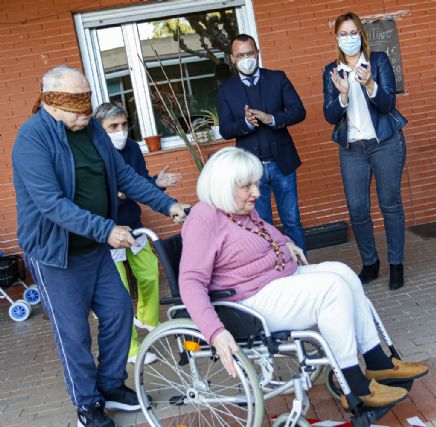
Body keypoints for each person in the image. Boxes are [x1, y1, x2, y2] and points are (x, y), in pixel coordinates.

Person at [179, 147, 429, 410]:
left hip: (278, 281)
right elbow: (191, 281)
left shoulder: (238, 209)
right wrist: (215, 332)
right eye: (247, 186)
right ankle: (353, 382)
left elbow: (265, 233)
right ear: (223, 187)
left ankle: (377, 361)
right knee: (331, 290)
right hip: (250, 303)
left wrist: (287, 243)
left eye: (255, 183)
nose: (257, 192)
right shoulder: (204, 218)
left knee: (342, 272)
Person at [12, 66, 190, 427]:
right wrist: (106, 229)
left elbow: (124, 175)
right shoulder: (32, 138)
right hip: (56, 254)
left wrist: (167, 204)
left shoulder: (90, 128)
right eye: (76, 104)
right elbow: (51, 203)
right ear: (52, 103)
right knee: (74, 333)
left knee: (119, 312)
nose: (86, 111)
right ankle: (88, 406)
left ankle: (110, 386)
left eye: (87, 100)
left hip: (94, 248)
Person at [322, 12, 409, 290]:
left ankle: (396, 265)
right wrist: (343, 95)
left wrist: (370, 84)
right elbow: (330, 115)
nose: (349, 39)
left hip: (384, 143)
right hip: (353, 148)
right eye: (343, 34)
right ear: (336, 38)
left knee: (390, 204)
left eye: (353, 33)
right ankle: (370, 263)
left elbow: (387, 104)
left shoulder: (379, 61)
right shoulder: (332, 71)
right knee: (357, 209)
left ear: (361, 34)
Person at [95, 102, 182, 366]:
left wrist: (155, 183)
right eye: (113, 127)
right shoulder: (95, 152)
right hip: (106, 231)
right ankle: (130, 348)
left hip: (132, 223)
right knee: (118, 293)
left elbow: (139, 181)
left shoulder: (132, 148)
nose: (120, 131)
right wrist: (115, 194)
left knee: (149, 271)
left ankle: (146, 319)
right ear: (100, 130)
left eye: (123, 125)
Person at [217, 34, 307, 252]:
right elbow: (225, 129)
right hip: (251, 172)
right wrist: (246, 124)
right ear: (232, 58)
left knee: (292, 220)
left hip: (282, 163)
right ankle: (273, 271)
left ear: (257, 53)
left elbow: (299, 111)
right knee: (262, 224)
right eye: (240, 55)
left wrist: (272, 119)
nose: (246, 59)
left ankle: (303, 269)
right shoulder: (226, 90)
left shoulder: (277, 78)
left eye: (250, 53)